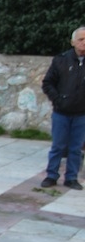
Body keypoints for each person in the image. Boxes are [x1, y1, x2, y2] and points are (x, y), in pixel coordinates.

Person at [40, 26, 85, 190]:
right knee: (58, 146)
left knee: (76, 148)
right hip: (61, 112)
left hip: (81, 114)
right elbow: (47, 83)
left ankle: (71, 178)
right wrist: (58, 100)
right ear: (73, 42)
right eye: (81, 39)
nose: (83, 43)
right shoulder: (61, 60)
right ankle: (51, 175)